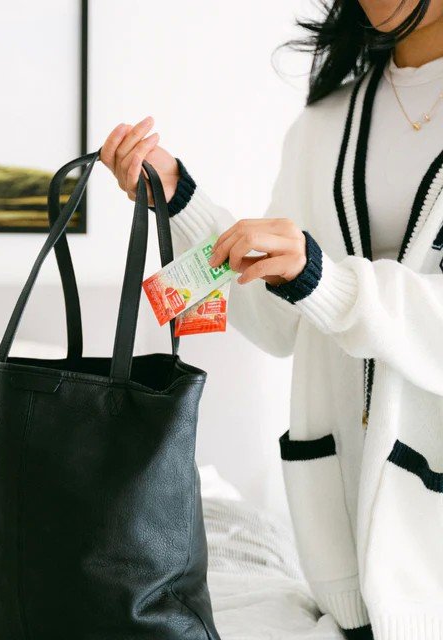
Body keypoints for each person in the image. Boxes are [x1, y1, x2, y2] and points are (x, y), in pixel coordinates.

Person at [102, 2, 443, 639]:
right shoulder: (322, 126)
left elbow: (324, 284)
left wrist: (326, 280)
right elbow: (275, 322)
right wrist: (179, 200)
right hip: (346, 586)